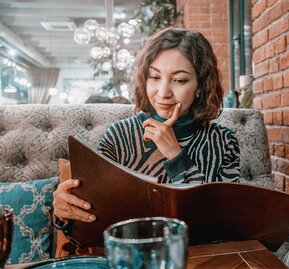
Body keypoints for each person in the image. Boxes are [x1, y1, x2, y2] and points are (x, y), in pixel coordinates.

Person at [53, 27, 240, 230]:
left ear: (200, 86)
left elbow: (222, 223)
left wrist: (176, 156)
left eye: (179, 80)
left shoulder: (223, 142)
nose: (163, 92)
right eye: (155, 77)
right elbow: (93, 220)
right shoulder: (119, 136)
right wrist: (65, 214)